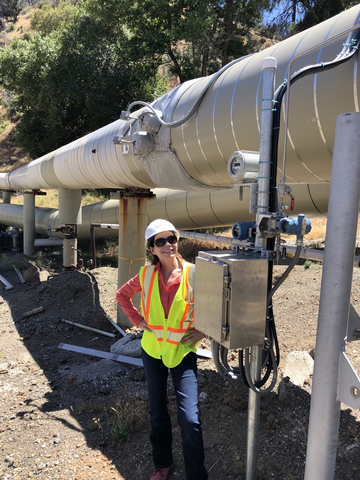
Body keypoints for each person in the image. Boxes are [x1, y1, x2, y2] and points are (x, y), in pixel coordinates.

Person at [116, 219, 208, 480]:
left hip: (182, 353)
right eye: (160, 241)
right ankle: (162, 465)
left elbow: (218, 305)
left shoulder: (194, 273)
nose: (168, 245)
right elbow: (122, 295)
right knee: (157, 410)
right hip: (153, 351)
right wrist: (137, 321)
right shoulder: (145, 275)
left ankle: (197, 475)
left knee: (190, 419)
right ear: (152, 249)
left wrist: (204, 331)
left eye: (172, 239)